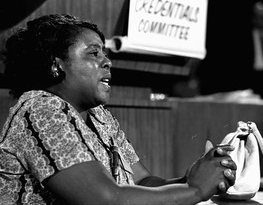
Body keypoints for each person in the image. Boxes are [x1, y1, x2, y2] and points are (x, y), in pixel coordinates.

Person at [0, 14, 236, 205]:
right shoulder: (40, 108)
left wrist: (193, 177)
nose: (107, 61)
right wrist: (195, 190)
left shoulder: (99, 116)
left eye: (104, 52)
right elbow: (106, 199)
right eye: (94, 53)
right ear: (56, 65)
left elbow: (142, 182)